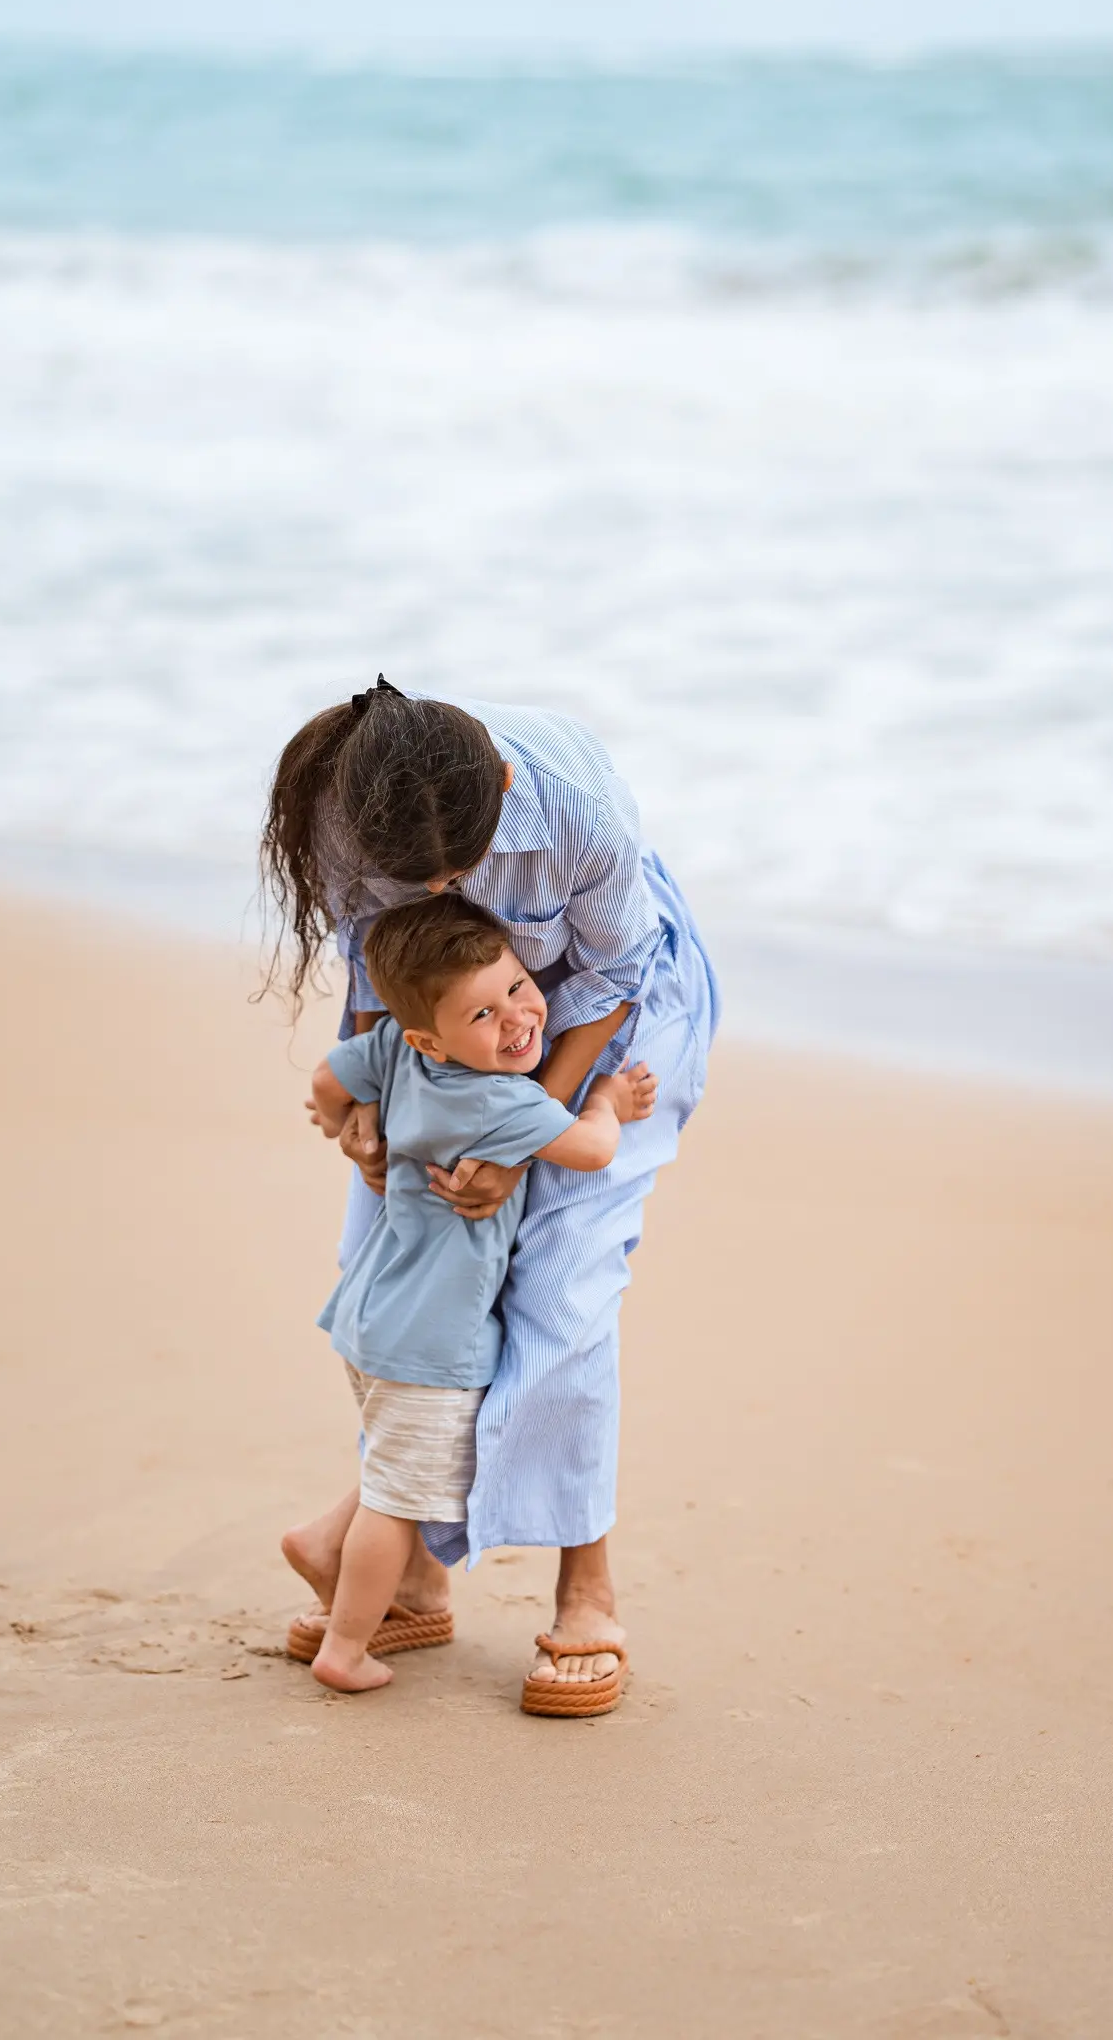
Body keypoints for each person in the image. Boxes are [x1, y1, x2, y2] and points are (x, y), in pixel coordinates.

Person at [267, 678, 719, 1712]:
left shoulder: (569, 799)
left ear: (506, 788)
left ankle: (585, 1588)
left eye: (457, 872)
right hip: (438, 1036)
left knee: (558, 1292)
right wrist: (370, 1112)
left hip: (604, 1031)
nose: (434, 888)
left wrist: (520, 1135)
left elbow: (613, 979)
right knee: (399, 1277)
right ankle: (411, 1565)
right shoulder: (350, 817)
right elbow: (380, 979)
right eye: (407, 877)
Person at [302, 893, 654, 1705]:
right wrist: (605, 1101)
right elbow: (593, 1150)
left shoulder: (393, 1046)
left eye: (520, 986)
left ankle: (324, 1546)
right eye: (483, 1014)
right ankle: (346, 1646)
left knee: (396, 1463)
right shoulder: (500, 1100)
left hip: (369, 1313)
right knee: (397, 1501)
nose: (519, 1020)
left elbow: (326, 1078)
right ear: (433, 1036)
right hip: (432, 1344)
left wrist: (349, 1129)